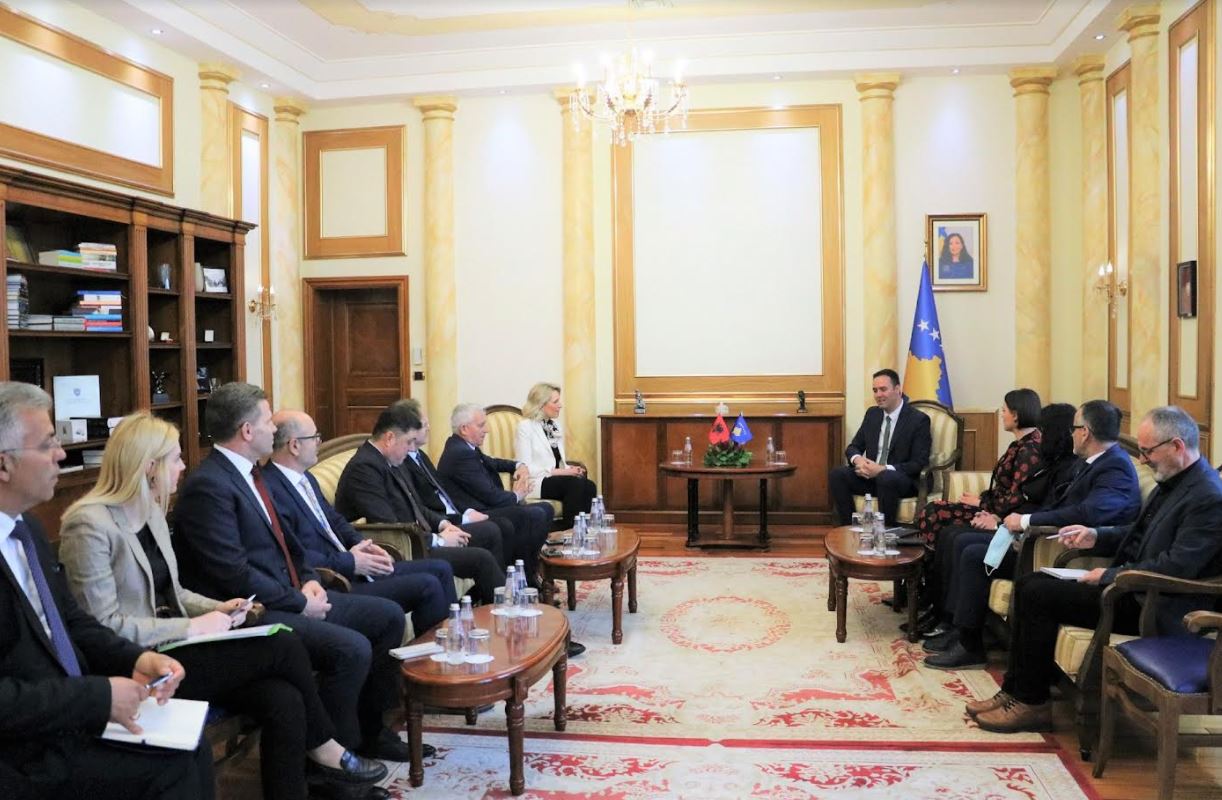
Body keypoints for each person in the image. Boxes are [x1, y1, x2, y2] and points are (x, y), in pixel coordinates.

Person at [57, 412, 386, 800]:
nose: (183, 467)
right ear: (149, 467)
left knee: (282, 697)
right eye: (175, 458)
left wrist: (221, 608)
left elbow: (175, 593)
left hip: (177, 645)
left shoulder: (151, 513)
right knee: (283, 643)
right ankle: (328, 750)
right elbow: (102, 625)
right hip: (136, 662)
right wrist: (194, 627)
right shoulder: (89, 524)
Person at [172, 382, 412, 764]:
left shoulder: (251, 474)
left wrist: (311, 579)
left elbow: (289, 543)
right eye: (268, 421)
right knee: (350, 649)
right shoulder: (210, 485)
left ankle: (372, 733)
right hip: (256, 610)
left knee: (388, 617)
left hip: (293, 592)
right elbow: (232, 573)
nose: (274, 429)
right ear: (247, 430)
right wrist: (299, 601)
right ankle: (337, 761)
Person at [0, 382, 212, 800]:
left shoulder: (28, 529)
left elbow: (72, 621)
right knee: (172, 770)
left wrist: (135, 658)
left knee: (193, 746)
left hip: (63, 714)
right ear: (4, 465)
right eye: (47, 444)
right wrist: (96, 698)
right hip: (22, 751)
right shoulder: (78, 523)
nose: (61, 454)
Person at [971, 406, 1222, 733]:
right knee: (1031, 583)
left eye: (1147, 452)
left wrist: (1108, 575)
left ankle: (1032, 704)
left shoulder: (1208, 497)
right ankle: (1014, 692)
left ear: (1176, 446)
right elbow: (1139, 532)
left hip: (1155, 604)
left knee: (1038, 593)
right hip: (1132, 588)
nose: (1142, 460)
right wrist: (1097, 536)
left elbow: (1177, 566)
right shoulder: (1175, 481)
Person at [924, 399, 1144, 670]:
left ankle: (970, 645)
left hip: (1058, 550)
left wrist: (1027, 521)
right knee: (962, 541)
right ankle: (958, 629)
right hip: (1042, 539)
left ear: (1085, 432)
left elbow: (1089, 513)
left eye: (1074, 428)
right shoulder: (1091, 462)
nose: (1070, 434)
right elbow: (1059, 504)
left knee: (972, 553)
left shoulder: (1114, 466)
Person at [265, 408, 454, 631]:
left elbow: (335, 521)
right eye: (314, 437)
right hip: (334, 580)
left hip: (354, 563)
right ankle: (433, 651)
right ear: (294, 445)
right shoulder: (270, 489)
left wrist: (363, 545)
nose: (319, 442)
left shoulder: (306, 477)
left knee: (441, 568)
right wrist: (351, 561)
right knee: (427, 585)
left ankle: (453, 642)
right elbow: (295, 554)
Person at [333, 401, 505, 604]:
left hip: (418, 536)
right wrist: (438, 540)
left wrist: (444, 525)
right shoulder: (364, 469)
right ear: (389, 438)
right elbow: (389, 526)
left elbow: (416, 505)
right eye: (409, 442)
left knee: (489, 531)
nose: (411, 449)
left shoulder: (391, 459)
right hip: (404, 547)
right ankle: (500, 611)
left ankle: (483, 606)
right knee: (481, 559)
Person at [437, 403, 552, 582]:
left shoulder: (464, 446)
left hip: (486, 506)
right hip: (477, 512)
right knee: (533, 514)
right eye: (481, 425)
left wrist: (518, 465)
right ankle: (524, 576)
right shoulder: (460, 453)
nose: (487, 430)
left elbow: (493, 462)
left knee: (545, 509)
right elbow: (491, 496)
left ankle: (529, 571)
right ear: (464, 429)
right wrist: (517, 495)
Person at [915, 388, 1044, 548]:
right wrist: (983, 500)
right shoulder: (1021, 444)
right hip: (995, 507)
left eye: (1004, 411)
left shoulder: (1029, 450)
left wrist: (981, 504)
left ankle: (930, 563)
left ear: (1016, 415)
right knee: (935, 510)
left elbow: (1016, 497)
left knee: (934, 512)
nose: (1002, 415)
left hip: (1005, 516)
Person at [829, 369, 932, 526]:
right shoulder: (872, 414)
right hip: (871, 478)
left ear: (897, 389)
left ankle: (885, 532)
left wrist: (882, 469)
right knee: (837, 474)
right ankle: (849, 528)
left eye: (883, 389)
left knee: (886, 477)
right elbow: (853, 447)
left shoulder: (918, 420)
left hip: (903, 479)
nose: (878, 395)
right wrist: (858, 461)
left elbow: (918, 463)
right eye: (875, 390)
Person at [515, 383, 597, 528]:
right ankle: (569, 529)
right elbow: (525, 468)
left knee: (589, 486)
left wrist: (570, 469)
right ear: (541, 404)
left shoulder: (554, 425)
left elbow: (557, 460)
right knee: (575, 484)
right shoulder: (525, 427)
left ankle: (584, 530)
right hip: (535, 481)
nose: (560, 405)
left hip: (554, 479)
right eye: (555, 402)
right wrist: (563, 472)